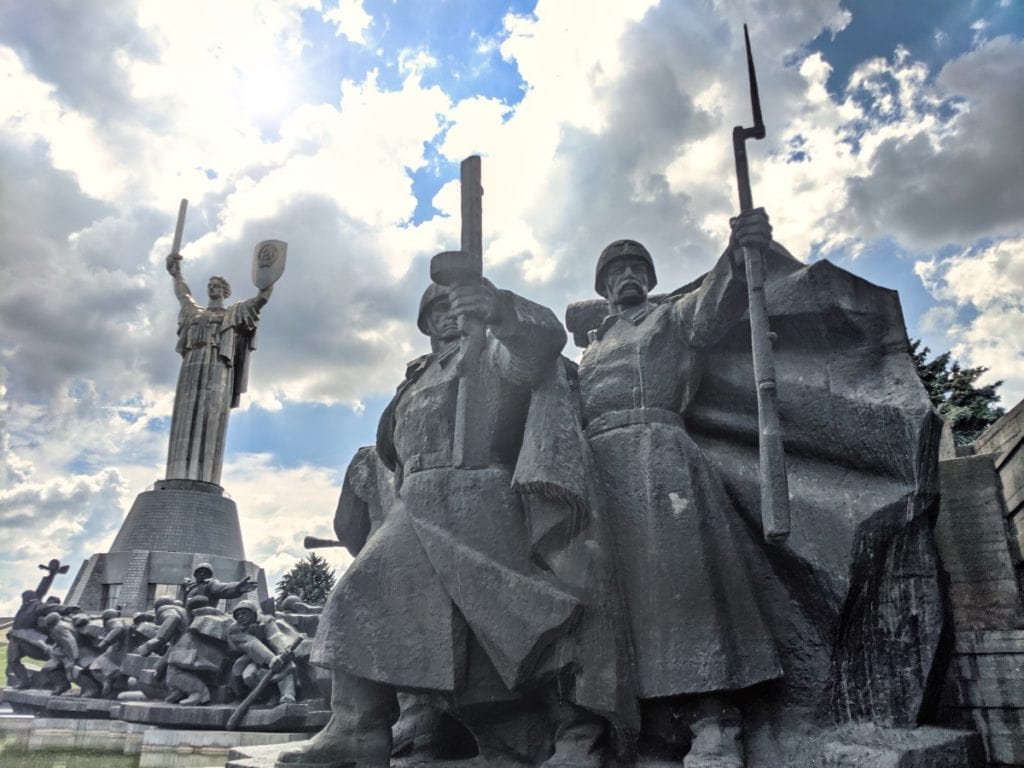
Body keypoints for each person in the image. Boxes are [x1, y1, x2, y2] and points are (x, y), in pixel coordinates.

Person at [279, 277, 634, 768]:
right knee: (357, 595)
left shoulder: (491, 353)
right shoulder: (416, 378)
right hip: (417, 503)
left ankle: (577, 732)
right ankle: (357, 728)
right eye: (436, 311)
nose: (448, 316)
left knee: (529, 620)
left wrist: (500, 308)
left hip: (482, 498)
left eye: (455, 305)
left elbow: (540, 347)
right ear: (425, 323)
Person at [576, 209, 782, 768]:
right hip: (600, 469)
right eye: (616, 271)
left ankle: (715, 722)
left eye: (636, 268)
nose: (627, 276)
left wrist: (736, 254)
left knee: (688, 585)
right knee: (608, 599)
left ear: (649, 278)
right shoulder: (590, 350)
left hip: (660, 453)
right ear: (603, 286)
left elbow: (714, 306)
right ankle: (625, 727)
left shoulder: (670, 317)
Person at [165, 252, 273, 485]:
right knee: (185, 416)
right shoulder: (195, 312)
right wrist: (176, 274)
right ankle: (177, 477)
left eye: (216, 285)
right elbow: (183, 295)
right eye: (210, 285)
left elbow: (261, 300)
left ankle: (205, 478)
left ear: (225, 291)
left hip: (218, 368)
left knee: (211, 417)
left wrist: (268, 277)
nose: (212, 287)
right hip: (191, 366)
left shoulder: (233, 313)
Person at [228, 599, 304, 705]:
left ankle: (288, 694)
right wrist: (271, 660)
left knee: (287, 665)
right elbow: (251, 644)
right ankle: (264, 695)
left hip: (276, 652)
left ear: (253, 613)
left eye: (244, 613)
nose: (240, 616)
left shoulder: (266, 621)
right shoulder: (235, 630)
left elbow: (275, 636)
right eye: (237, 615)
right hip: (252, 657)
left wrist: (284, 650)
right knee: (246, 674)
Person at [183, 562, 257, 609]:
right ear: (195, 574)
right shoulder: (191, 586)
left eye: (205, 572)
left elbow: (223, 588)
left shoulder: (211, 584)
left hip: (203, 614)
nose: (202, 574)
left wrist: (237, 587)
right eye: (199, 572)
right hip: (187, 613)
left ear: (209, 575)